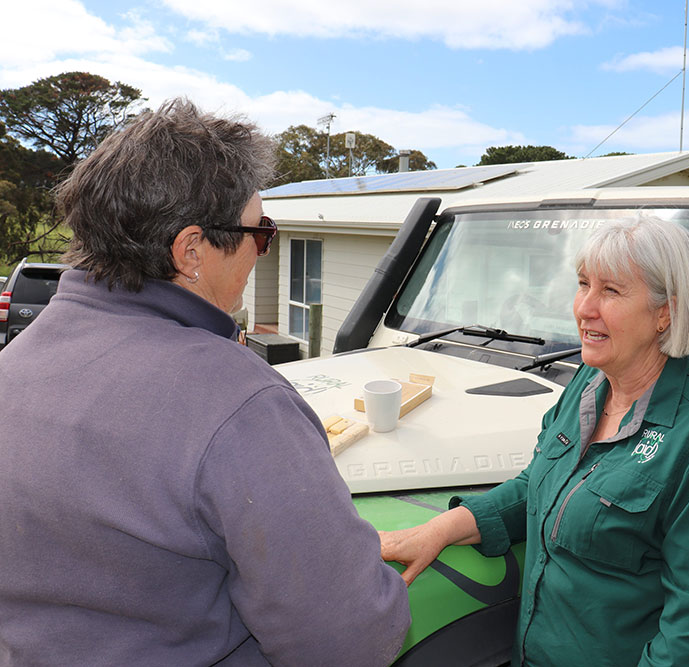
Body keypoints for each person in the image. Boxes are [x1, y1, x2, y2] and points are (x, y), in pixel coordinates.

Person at [0, 99, 410, 666]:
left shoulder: (15, 363)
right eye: (259, 233)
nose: (261, 253)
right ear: (191, 250)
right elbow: (347, 640)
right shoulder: (241, 401)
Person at [380, 215, 689, 666]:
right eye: (583, 284)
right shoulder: (588, 384)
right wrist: (439, 530)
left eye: (612, 291)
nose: (584, 307)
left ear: (666, 312)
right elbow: (538, 489)